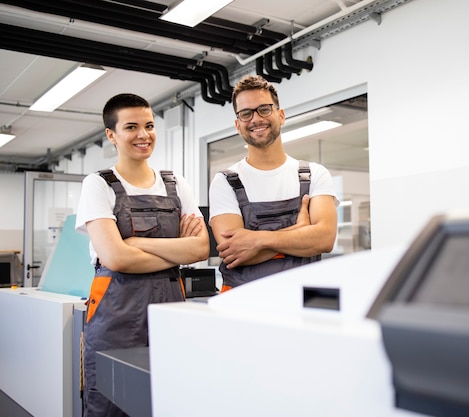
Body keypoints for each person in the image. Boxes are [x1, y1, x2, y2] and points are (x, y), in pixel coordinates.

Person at [75, 93, 209, 417]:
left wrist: (135, 243)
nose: (143, 135)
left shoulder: (176, 184)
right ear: (112, 135)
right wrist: (178, 252)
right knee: (110, 400)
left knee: (169, 397)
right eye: (131, 127)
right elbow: (116, 259)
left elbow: (202, 248)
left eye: (149, 125)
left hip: (170, 305)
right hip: (114, 310)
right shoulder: (98, 185)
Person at [209, 75, 338, 291]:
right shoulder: (225, 181)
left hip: (302, 301)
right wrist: (299, 231)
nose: (256, 119)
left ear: (281, 115)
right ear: (238, 125)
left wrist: (256, 240)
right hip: (243, 304)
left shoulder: (315, 174)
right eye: (246, 113)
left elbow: (324, 239)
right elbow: (233, 253)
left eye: (264, 109)